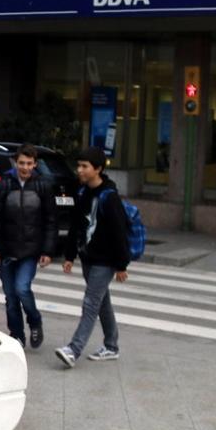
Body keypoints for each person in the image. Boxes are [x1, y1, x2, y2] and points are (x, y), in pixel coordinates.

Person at [56, 147, 130, 368]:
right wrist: (69, 255)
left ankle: (73, 349)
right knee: (101, 301)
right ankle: (111, 345)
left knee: (90, 303)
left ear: (97, 169)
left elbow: (120, 232)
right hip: (88, 257)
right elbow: (76, 226)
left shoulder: (109, 197)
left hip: (105, 260)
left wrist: (121, 264)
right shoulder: (82, 192)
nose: (80, 170)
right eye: (79, 165)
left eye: (85, 166)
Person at [0, 144, 57, 349]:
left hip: (30, 250)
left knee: (22, 288)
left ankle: (34, 321)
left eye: (29, 164)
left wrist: (47, 251)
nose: (25, 167)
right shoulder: (4, 185)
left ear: (35, 164)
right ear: (16, 163)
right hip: (7, 248)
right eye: (21, 163)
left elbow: (51, 220)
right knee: (10, 296)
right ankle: (16, 334)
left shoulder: (42, 186)